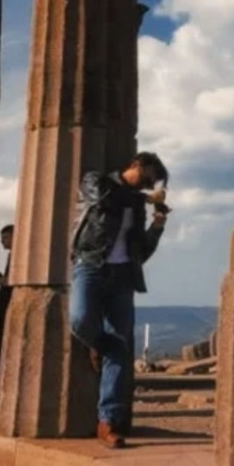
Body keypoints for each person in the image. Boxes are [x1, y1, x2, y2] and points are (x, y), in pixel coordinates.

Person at [69, 152, 170, 448]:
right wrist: (147, 199)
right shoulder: (96, 180)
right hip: (90, 263)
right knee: (80, 319)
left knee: (119, 346)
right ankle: (100, 344)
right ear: (136, 164)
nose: (148, 185)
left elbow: (141, 251)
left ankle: (108, 421)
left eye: (152, 183)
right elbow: (104, 200)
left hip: (124, 275)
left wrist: (157, 225)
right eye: (148, 177)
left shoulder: (137, 205)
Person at [0, 224, 14, 362]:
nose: (2, 242)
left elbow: (14, 280)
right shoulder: (11, 255)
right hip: (3, 305)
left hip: (8, 307)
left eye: (5, 238)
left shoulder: (18, 255)